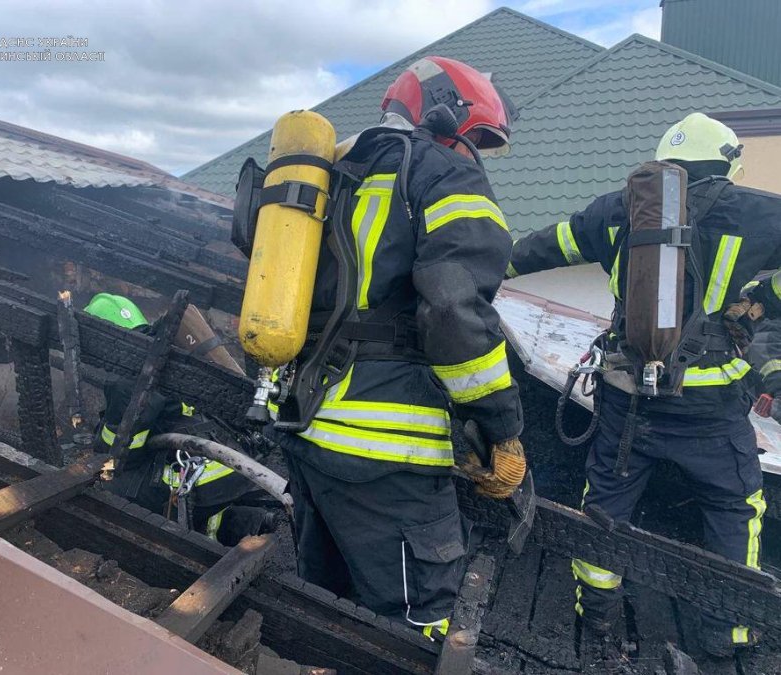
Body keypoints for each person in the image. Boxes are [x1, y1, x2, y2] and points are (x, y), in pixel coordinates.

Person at [266, 57, 525, 638]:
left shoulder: (334, 173)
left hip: (309, 428)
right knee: (415, 626)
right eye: (478, 139)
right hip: (390, 450)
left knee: (327, 604)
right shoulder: (443, 174)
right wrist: (500, 428)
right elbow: (455, 315)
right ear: (450, 116)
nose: (476, 154)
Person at [507, 113, 779, 656]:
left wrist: (479, 270)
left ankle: (597, 617)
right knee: (735, 506)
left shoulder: (617, 207)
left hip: (628, 396)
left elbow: (542, 248)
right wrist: (762, 303)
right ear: (726, 162)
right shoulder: (760, 212)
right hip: (710, 404)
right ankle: (728, 633)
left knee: (606, 503)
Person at [83, 293, 276, 546]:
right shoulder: (175, 349)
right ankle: (245, 524)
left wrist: (101, 440)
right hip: (235, 462)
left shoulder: (131, 378)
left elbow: (125, 453)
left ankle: (170, 546)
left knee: (109, 485)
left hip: (199, 477)